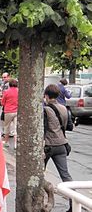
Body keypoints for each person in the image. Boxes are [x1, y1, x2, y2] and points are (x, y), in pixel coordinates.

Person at [44, 84, 73, 212]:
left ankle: (42, 201)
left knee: (38, 173)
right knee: (65, 175)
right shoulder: (64, 109)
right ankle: (74, 203)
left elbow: (42, 129)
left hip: (48, 147)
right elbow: (70, 126)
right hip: (62, 145)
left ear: (46, 96)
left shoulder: (45, 110)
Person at [1, 78, 18, 149]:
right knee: (16, 128)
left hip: (8, 111)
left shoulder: (6, 92)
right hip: (16, 111)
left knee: (7, 127)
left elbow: (2, 102)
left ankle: (6, 142)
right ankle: (16, 144)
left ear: (10, 84)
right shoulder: (19, 91)